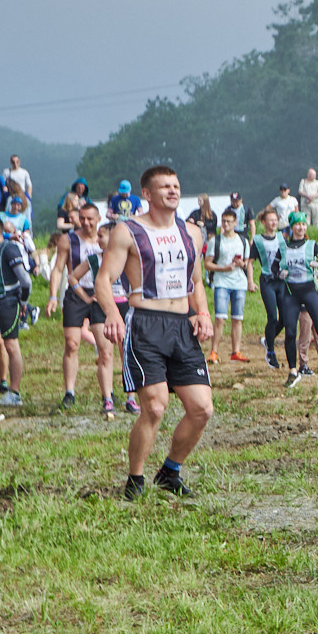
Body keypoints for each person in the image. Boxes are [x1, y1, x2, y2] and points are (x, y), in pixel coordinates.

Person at [95, 166, 214, 499]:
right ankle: (135, 481)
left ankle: (169, 471)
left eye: (176, 185)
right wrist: (112, 313)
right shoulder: (128, 230)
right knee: (156, 407)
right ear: (146, 194)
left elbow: (196, 281)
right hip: (146, 324)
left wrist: (202, 312)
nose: (172, 191)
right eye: (164, 187)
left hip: (181, 325)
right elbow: (104, 279)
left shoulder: (192, 232)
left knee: (202, 409)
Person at [55, 204, 116, 413]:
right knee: (72, 344)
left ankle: (107, 393)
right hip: (77, 293)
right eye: (82, 218)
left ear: (98, 217)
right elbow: (58, 269)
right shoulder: (68, 240)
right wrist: (53, 296)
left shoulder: (111, 240)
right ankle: (69, 391)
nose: (86, 222)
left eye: (90, 218)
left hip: (102, 294)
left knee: (106, 348)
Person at [271, 214, 318, 385]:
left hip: (309, 290)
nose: (300, 227)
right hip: (291, 292)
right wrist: (279, 273)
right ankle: (293, 371)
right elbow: (274, 267)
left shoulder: (311, 245)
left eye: (303, 224)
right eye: (297, 224)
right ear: (292, 227)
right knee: (290, 332)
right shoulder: (284, 247)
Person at [0, 209, 32, 406]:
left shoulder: (9, 249)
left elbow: (25, 280)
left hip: (8, 302)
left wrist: (23, 302)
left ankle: (15, 392)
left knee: (11, 345)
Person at [206, 208, 250, 362]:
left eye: (229, 221)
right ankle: (214, 351)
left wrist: (242, 264)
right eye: (224, 221)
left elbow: (247, 263)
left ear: (235, 222)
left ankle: (235, 351)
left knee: (237, 318)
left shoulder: (243, 240)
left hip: (239, 282)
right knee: (220, 317)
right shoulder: (215, 241)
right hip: (221, 281)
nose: (225, 224)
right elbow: (207, 264)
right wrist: (224, 268)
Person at [251, 210, 290, 370]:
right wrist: (250, 280)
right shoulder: (258, 240)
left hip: (281, 280)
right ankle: (271, 352)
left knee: (285, 317)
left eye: (275, 220)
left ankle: (269, 339)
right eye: (270, 220)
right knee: (272, 316)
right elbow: (250, 261)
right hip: (267, 279)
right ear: (264, 222)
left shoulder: (282, 237)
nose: (273, 223)